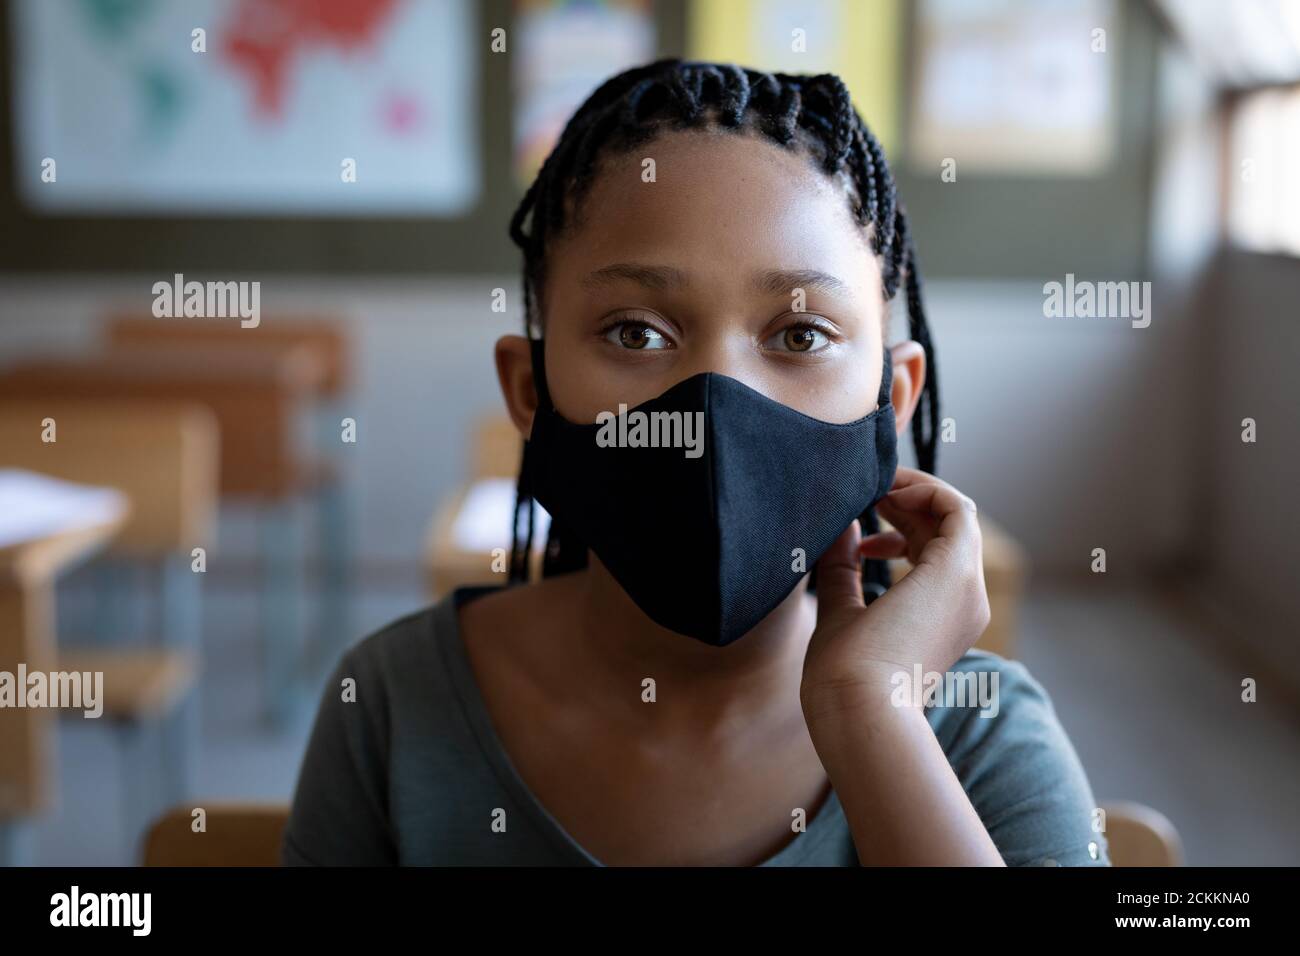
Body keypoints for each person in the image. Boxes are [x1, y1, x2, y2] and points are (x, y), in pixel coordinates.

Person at [283, 59, 1109, 867]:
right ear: (531, 391)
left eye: (800, 335)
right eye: (636, 332)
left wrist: (871, 717)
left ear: (891, 402)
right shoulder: (391, 706)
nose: (714, 407)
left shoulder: (981, 732)